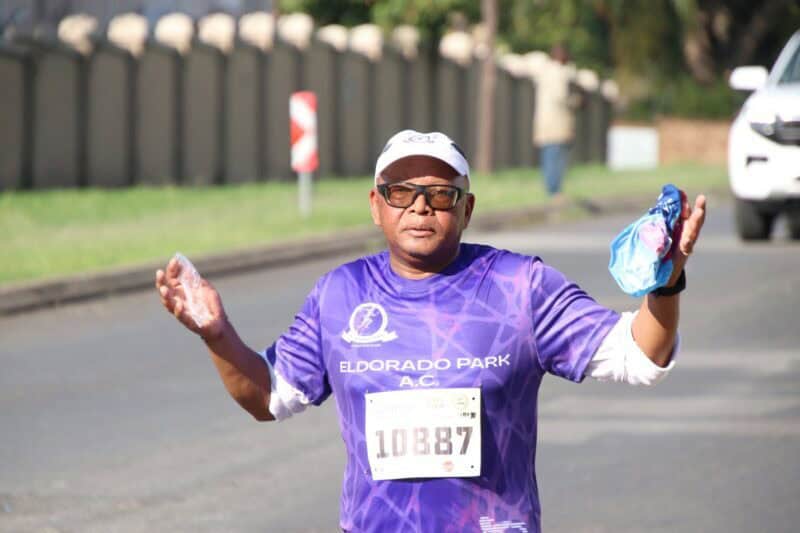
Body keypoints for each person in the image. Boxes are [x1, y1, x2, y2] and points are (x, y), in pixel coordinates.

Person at [156, 129, 707, 532]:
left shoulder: (520, 285)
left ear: (467, 209)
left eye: (441, 194)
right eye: (401, 191)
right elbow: (268, 395)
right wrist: (217, 334)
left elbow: (641, 356)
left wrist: (666, 284)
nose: (421, 206)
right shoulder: (340, 293)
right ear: (376, 206)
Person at [533, 43, 580, 202]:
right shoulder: (558, 72)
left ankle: (552, 190)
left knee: (549, 156)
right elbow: (561, 97)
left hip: (545, 122)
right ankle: (554, 191)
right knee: (555, 157)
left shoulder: (545, 71)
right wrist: (576, 101)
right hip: (556, 123)